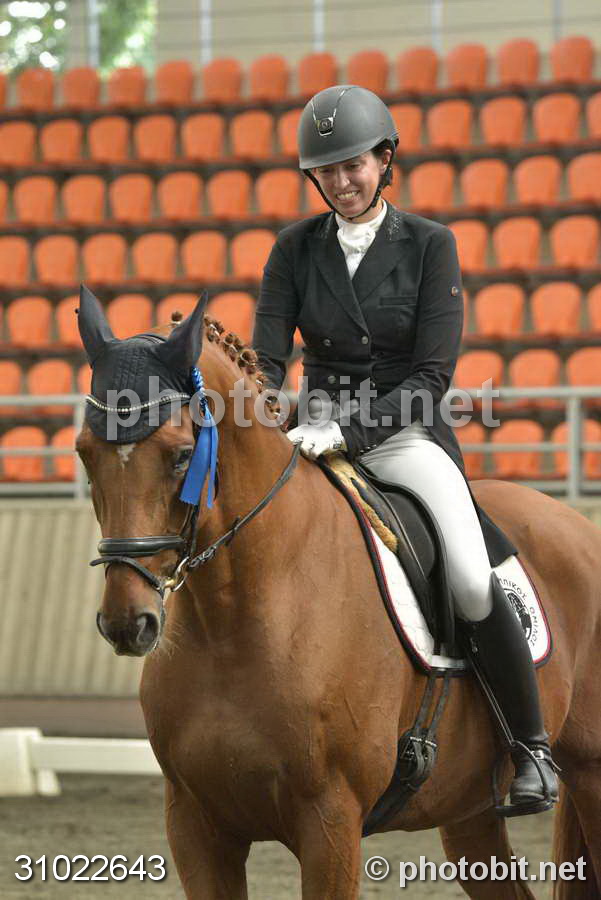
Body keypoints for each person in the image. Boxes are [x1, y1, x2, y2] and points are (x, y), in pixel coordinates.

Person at [252, 84, 558, 816]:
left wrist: (350, 431)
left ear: (384, 159)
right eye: (326, 171)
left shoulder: (428, 244)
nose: (341, 182)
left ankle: (530, 748)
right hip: (310, 434)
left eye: (353, 165)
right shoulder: (293, 249)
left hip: (402, 435)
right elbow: (265, 362)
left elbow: (431, 377)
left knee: (471, 580)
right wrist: (264, 412)